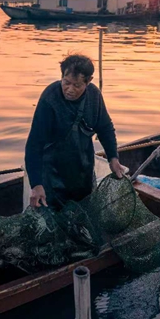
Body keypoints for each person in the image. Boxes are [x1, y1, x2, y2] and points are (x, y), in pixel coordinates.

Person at [25, 54, 125, 209]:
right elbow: (34, 145)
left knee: (82, 215)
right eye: (66, 83)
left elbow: (105, 128)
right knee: (54, 218)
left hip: (82, 170)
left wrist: (113, 157)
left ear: (88, 81)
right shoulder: (49, 98)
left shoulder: (94, 96)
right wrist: (36, 184)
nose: (69, 89)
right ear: (61, 77)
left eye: (77, 85)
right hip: (52, 174)